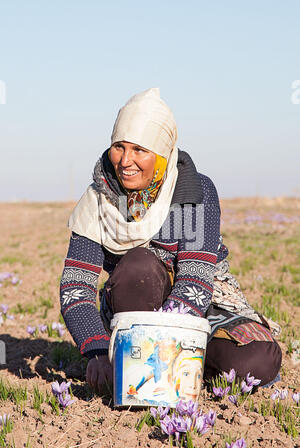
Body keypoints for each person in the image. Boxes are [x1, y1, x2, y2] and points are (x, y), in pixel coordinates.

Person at [60, 88, 282, 394]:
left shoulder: (191, 193)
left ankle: (180, 365)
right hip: (134, 310)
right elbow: (76, 288)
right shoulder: (98, 201)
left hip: (202, 308)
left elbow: (196, 282)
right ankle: (148, 370)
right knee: (139, 266)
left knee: (256, 359)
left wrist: (166, 348)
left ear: (162, 155)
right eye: (119, 147)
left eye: (140, 150)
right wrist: (97, 352)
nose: (126, 161)